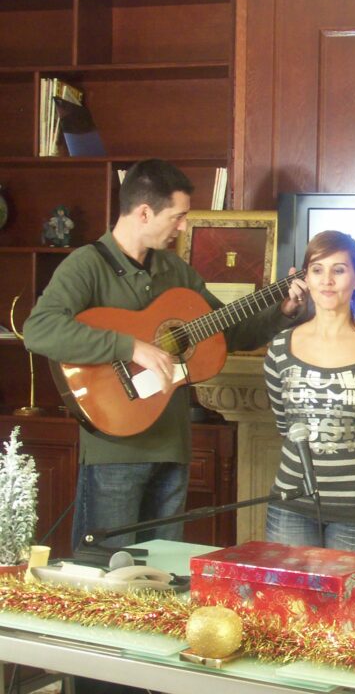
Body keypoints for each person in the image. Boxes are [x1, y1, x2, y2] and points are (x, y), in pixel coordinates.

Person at [23, 159, 305, 553]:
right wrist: (130, 346)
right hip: (115, 449)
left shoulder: (175, 270)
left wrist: (281, 311)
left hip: (172, 445)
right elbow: (39, 330)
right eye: (178, 216)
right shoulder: (86, 266)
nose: (184, 227)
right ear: (143, 212)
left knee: (160, 568)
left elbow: (224, 332)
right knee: (106, 572)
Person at [263, 230, 355, 555]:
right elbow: (286, 427)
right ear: (306, 279)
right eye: (317, 269)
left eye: (339, 270)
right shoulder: (278, 349)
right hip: (292, 504)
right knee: (287, 604)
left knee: (351, 606)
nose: (327, 280)